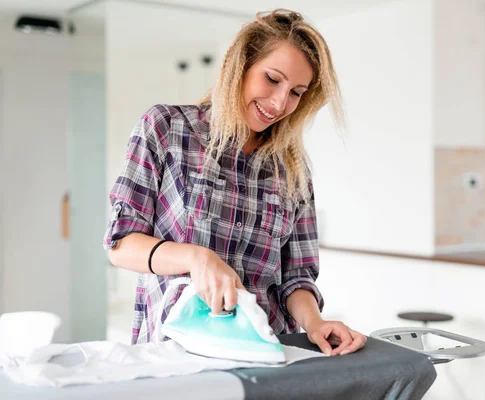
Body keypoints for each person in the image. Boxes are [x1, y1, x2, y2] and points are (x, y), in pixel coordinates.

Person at [103, 9, 366, 357]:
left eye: (296, 92)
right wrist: (197, 258)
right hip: (175, 357)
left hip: (266, 354)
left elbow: (296, 277)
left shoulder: (292, 168)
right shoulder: (166, 129)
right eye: (272, 79)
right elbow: (121, 245)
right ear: (240, 65)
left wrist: (315, 323)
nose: (279, 103)